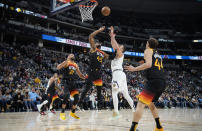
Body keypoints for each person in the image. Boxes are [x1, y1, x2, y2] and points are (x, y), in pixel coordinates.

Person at [125, 38, 166, 131]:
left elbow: (148, 65)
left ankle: (132, 129)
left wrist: (134, 69)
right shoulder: (158, 54)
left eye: (146, 43)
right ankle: (159, 127)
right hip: (162, 81)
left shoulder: (148, 50)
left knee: (140, 104)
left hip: (154, 80)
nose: (146, 44)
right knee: (151, 104)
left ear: (148, 44)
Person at [79, 26, 109, 111]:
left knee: (99, 89)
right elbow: (91, 36)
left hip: (98, 72)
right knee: (87, 87)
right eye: (96, 43)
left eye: (98, 43)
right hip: (91, 71)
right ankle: (79, 103)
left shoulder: (103, 53)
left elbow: (110, 57)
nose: (97, 43)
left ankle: (100, 106)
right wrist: (99, 30)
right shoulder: (93, 49)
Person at [109, 26, 135, 119]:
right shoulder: (116, 54)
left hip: (118, 74)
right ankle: (133, 109)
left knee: (114, 91)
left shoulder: (121, 54)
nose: (118, 47)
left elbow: (115, 47)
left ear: (122, 50)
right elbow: (113, 45)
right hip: (119, 75)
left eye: (120, 47)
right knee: (125, 94)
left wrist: (113, 36)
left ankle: (116, 113)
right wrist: (112, 37)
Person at [57, 54, 86, 120]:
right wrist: (63, 63)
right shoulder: (66, 62)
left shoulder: (75, 65)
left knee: (77, 98)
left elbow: (80, 75)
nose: (72, 55)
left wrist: (85, 77)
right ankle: (62, 112)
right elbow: (58, 67)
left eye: (73, 55)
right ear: (68, 57)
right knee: (66, 95)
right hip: (66, 81)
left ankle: (72, 112)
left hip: (73, 82)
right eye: (71, 55)